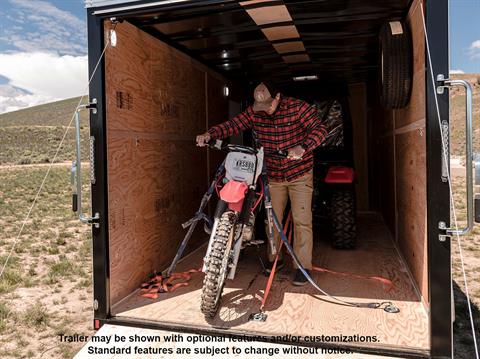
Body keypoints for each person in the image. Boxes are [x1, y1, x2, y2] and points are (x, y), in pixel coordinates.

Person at [196, 82, 328, 285]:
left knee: (302, 220)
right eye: (261, 107)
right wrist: (210, 134)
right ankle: (275, 259)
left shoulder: (297, 108)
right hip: (273, 174)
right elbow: (233, 125)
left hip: (299, 173)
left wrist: (303, 147)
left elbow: (320, 130)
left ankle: (303, 267)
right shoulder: (255, 112)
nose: (265, 110)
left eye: (268, 105)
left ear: (277, 97)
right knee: (271, 219)